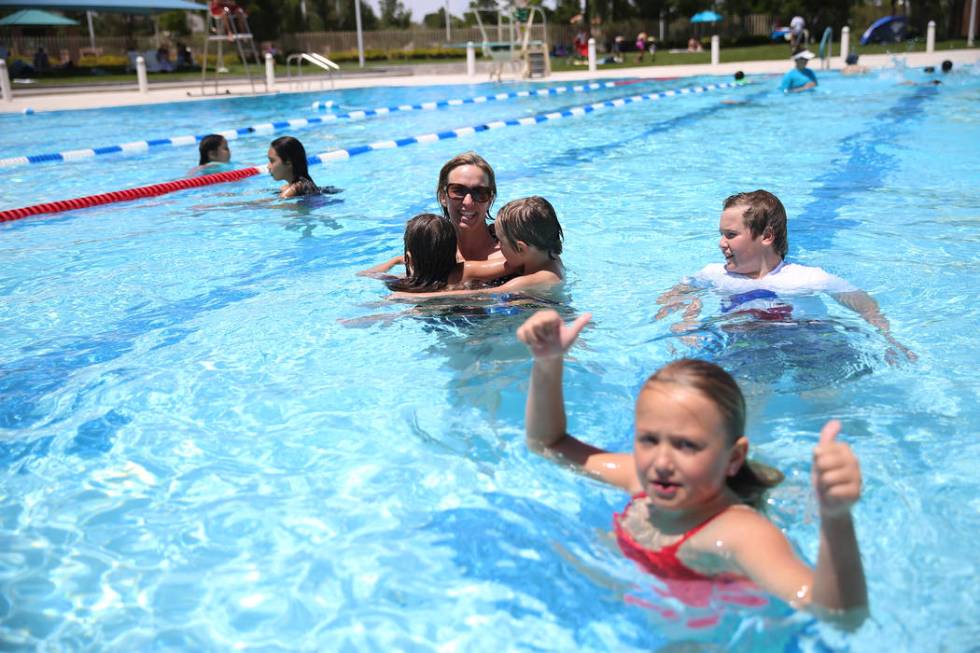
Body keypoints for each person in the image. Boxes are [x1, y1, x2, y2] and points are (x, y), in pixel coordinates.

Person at [516, 310, 868, 624]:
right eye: (649, 440)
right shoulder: (638, 479)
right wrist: (547, 363)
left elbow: (836, 613)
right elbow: (548, 445)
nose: (662, 463)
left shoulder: (739, 534)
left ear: (733, 458)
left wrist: (836, 519)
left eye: (686, 445)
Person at [655, 190, 915, 362]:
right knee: (749, 390)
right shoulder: (713, 274)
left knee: (823, 392)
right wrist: (684, 322)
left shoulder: (806, 278)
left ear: (767, 237)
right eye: (721, 234)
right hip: (747, 344)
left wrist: (889, 339)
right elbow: (670, 298)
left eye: (731, 235)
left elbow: (865, 305)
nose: (721, 243)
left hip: (810, 341)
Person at [390, 196, 564, 301]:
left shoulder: (537, 280)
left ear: (521, 248)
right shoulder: (546, 255)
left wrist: (418, 297)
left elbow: (481, 296)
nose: (498, 247)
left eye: (501, 242)